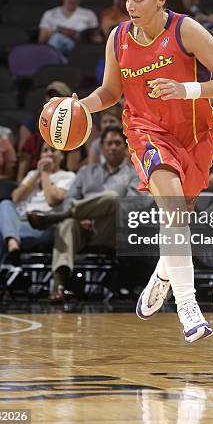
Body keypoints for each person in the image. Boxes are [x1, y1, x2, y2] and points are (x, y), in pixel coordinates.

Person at [44, 0, 213, 342]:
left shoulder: (185, 29)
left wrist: (186, 89)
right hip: (145, 132)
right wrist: (82, 106)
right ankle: (189, 308)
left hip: (194, 133)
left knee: (178, 221)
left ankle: (163, 275)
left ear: (161, 0)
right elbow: (111, 92)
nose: (130, 5)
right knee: (172, 208)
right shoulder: (118, 37)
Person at [27, 126, 141, 302]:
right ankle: (59, 285)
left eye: (118, 143)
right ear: (101, 148)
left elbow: (133, 207)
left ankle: (57, 217)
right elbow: (69, 199)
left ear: (125, 148)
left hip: (112, 230)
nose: (113, 147)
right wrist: (81, 219)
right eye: (109, 143)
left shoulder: (134, 174)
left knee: (113, 198)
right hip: (81, 228)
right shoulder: (85, 172)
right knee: (67, 224)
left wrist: (80, 212)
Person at [0, 143, 75, 302]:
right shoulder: (32, 174)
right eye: (45, 150)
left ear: (62, 156)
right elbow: (16, 197)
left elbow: (53, 200)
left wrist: (45, 175)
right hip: (21, 223)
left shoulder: (68, 176)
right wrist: (36, 175)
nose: (48, 154)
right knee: (5, 204)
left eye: (53, 150)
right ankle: (12, 241)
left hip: (45, 224)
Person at [38, 0, 102, 60]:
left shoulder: (89, 15)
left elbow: (95, 40)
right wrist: (56, 32)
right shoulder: (50, 14)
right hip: (54, 49)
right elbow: (41, 41)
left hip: (79, 50)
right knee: (57, 39)